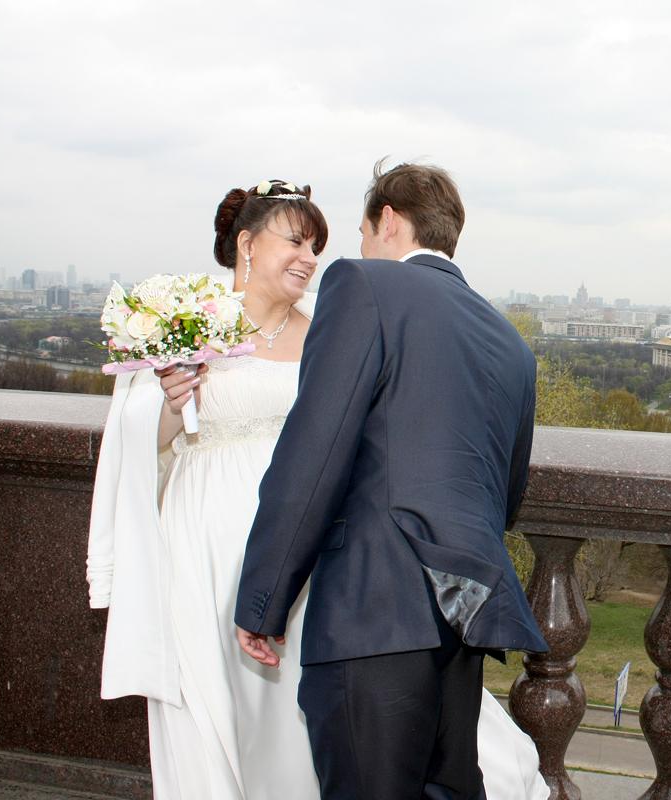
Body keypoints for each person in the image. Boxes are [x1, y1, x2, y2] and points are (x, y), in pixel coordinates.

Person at [86, 178, 548, 800]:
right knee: (226, 722)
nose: (310, 258)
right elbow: (135, 435)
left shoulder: (342, 315)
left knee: (320, 742)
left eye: (319, 245)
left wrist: (267, 597)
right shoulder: (188, 323)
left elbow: (330, 450)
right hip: (208, 547)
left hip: (305, 563)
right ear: (246, 244)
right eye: (296, 241)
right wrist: (171, 406)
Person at [233, 161, 549, 800]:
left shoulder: (364, 285)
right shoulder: (510, 343)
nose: (354, 249)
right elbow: (505, 499)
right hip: (461, 625)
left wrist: (264, 600)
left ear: (390, 221)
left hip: (371, 612)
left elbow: (313, 455)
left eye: (360, 231)